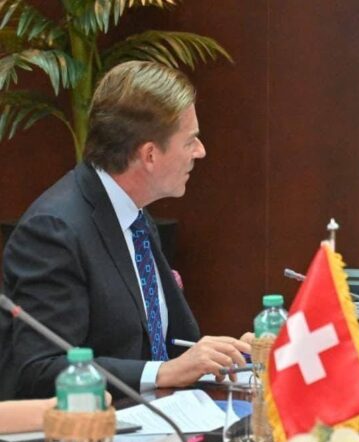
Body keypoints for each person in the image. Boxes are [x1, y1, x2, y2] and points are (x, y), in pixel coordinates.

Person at [0, 61, 250, 399]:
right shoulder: (54, 231)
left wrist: (231, 356)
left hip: (161, 416)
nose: (200, 151)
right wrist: (162, 372)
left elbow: (165, 343)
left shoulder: (134, 214)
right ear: (149, 155)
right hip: (98, 426)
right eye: (190, 140)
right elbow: (40, 369)